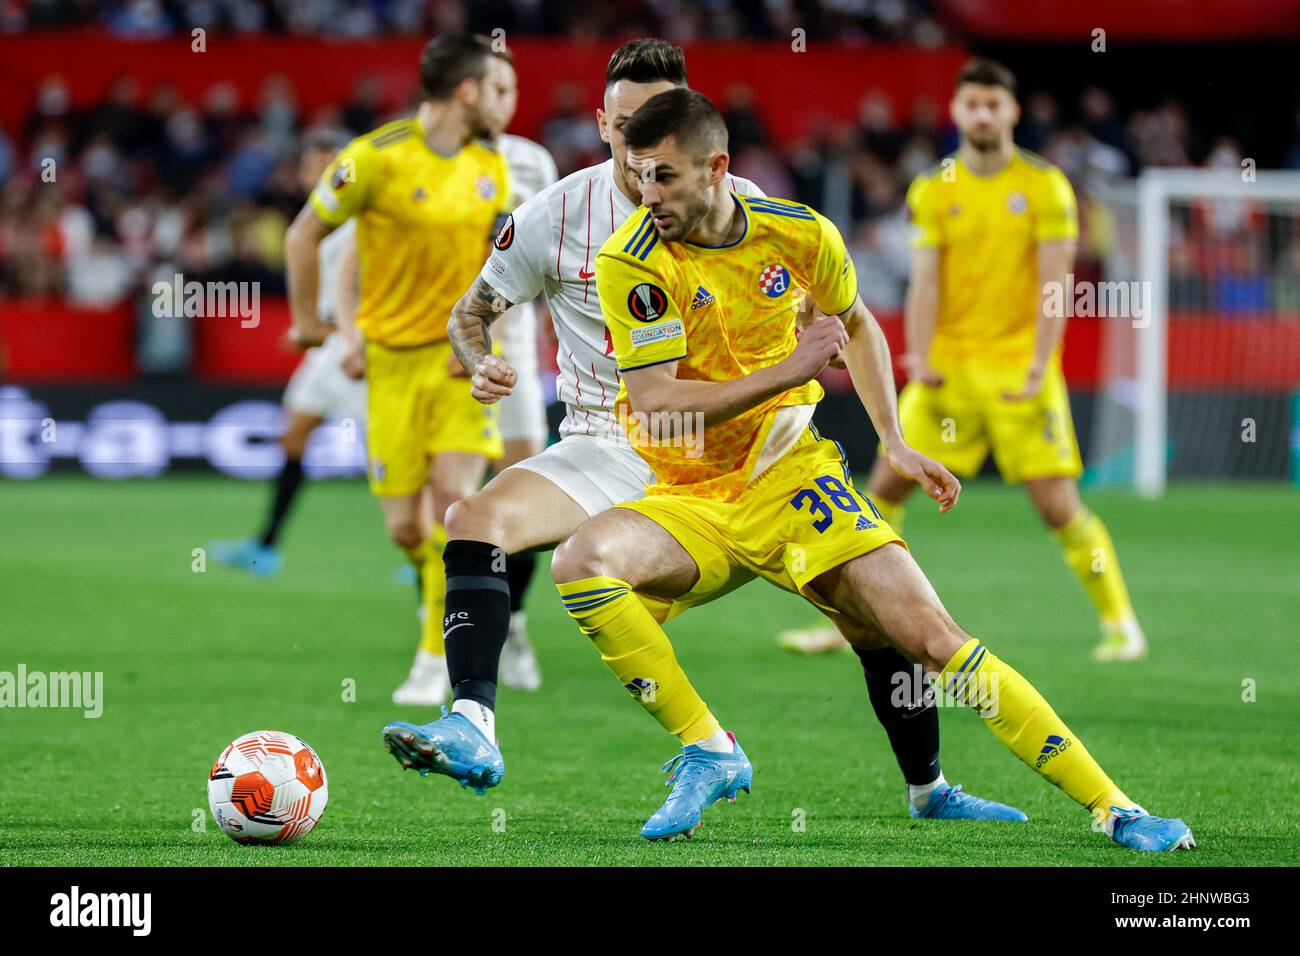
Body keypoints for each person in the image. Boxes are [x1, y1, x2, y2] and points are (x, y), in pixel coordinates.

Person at [381, 40, 1027, 828]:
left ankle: (928, 788)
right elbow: (469, 314)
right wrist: (479, 360)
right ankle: (474, 725)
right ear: (601, 122)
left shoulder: (743, 211)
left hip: (747, 454)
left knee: (870, 619)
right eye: (621, 129)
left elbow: (840, 322)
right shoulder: (555, 214)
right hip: (609, 443)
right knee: (472, 521)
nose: (633, 153)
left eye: (652, 133)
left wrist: (882, 431)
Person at [543, 88, 1190, 848]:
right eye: (638, 174)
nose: (646, 196)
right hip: (690, 498)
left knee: (928, 639)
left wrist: (895, 440)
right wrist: (788, 370)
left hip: (793, 478)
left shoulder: (800, 234)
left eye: (666, 178)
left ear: (717, 168)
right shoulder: (630, 263)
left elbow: (855, 323)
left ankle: (1113, 807)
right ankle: (709, 748)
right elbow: (657, 406)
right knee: (579, 562)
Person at [782, 59, 1148, 663]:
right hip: (946, 372)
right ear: (956, 111)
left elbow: (1057, 283)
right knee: (879, 493)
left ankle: (1121, 623)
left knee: (1058, 506)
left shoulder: (1044, 187)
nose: (982, 114)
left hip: (1018, 372)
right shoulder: (934, 188)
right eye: (972, 104)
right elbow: (924, 283)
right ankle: (854, 624)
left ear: (1012, 112)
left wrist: (1039, 363)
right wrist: (920, 356)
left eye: (993, 105)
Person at [285, 34, 513, 705]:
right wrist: (314, 322)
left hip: (456, 366)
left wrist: (477, 339)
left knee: (454, 506)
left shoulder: (490, 166)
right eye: (496, 89)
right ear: (466, 91)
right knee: (406, 528)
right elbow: (306, 233)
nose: (505, 103)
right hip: (387, 366)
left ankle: (434, 658)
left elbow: (494, 269)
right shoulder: (374, 159)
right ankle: (433, 603)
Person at [208, 127, 362, 578]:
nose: (308, 172)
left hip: (356, 345)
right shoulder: (319, 218)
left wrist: (338, 329)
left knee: (400, 459)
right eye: (305, 164)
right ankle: (267, 546)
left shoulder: (362, 218)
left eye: (318, 163)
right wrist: (309, 325)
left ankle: (428, 548)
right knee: (293, 435)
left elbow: (372, 292)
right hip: (325, 346)